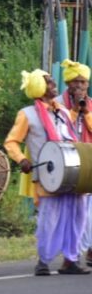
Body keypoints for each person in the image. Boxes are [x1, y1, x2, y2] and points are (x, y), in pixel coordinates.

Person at [4, 69, 91, 275]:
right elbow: (11, 141)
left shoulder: (61, 111)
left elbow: (74, 132)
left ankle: (71, 260)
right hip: (49, 175)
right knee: (49, 219)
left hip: (72, 172)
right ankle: (43, 261)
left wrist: (83, 107)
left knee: (76, 216)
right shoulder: (27, 114)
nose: (54, 85)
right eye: (50, 83)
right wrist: (22, 159)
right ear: (40, 87)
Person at [55, 60, 92, 268]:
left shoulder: (91, 105)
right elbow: (61, 129)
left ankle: (88, 252)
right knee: (71, 213)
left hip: (89, 164)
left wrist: (85, 112)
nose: (79, 86)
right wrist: (75, 111)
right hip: (67, 164)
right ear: (68, 83)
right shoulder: (58, 105)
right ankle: (69, 257)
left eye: (83, 82)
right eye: (75, 81)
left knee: (89, 214)